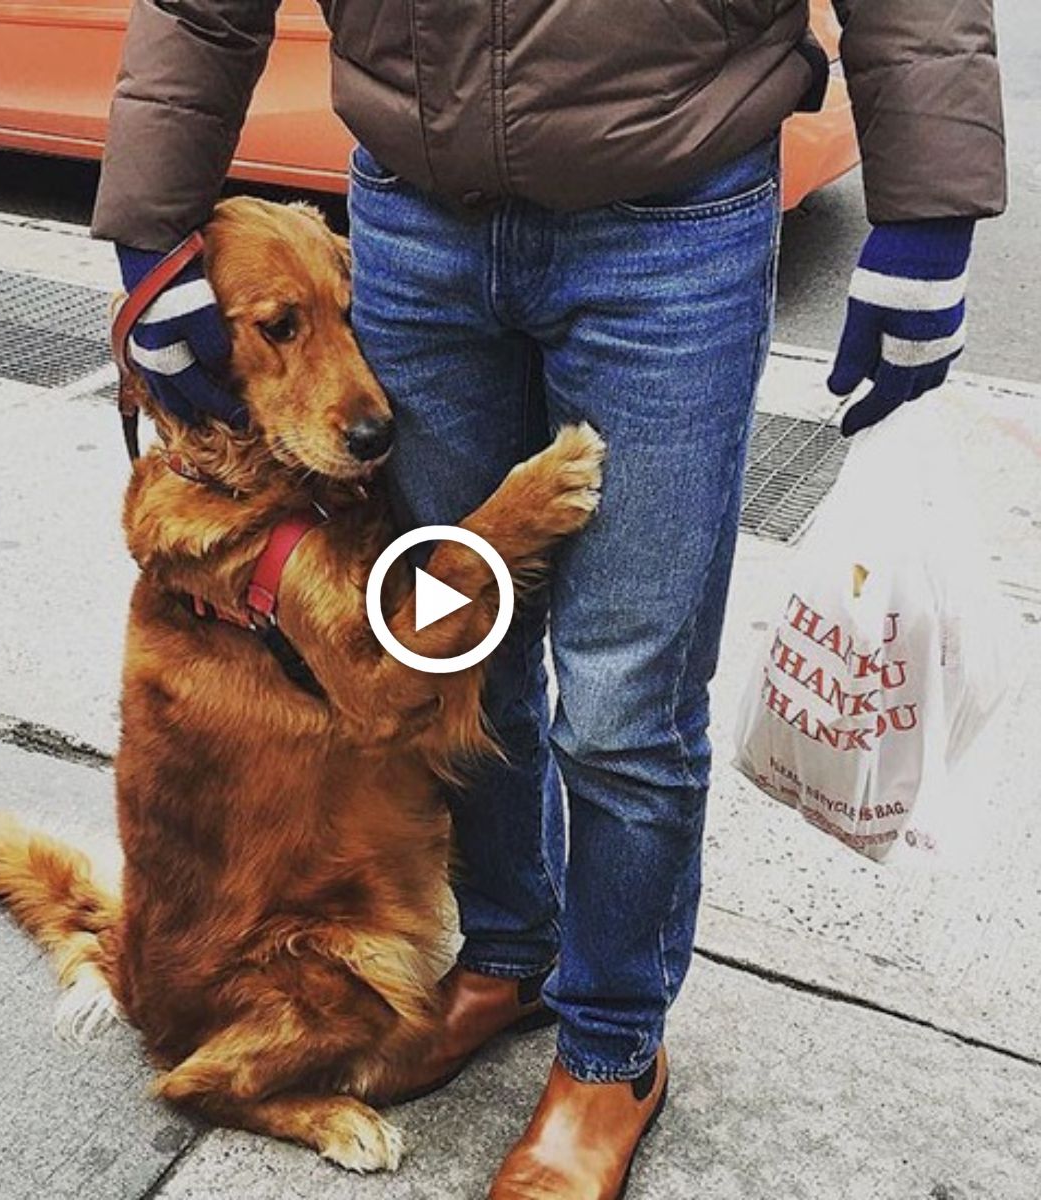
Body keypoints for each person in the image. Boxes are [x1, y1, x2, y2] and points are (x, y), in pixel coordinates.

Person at [91, 3, 1005, 1195]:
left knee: (627, 702)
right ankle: (513, 954)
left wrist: (927, 214)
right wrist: (151, 237)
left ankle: (615, 1048)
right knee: (465, 652)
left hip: (672, 211)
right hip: (414, 220)